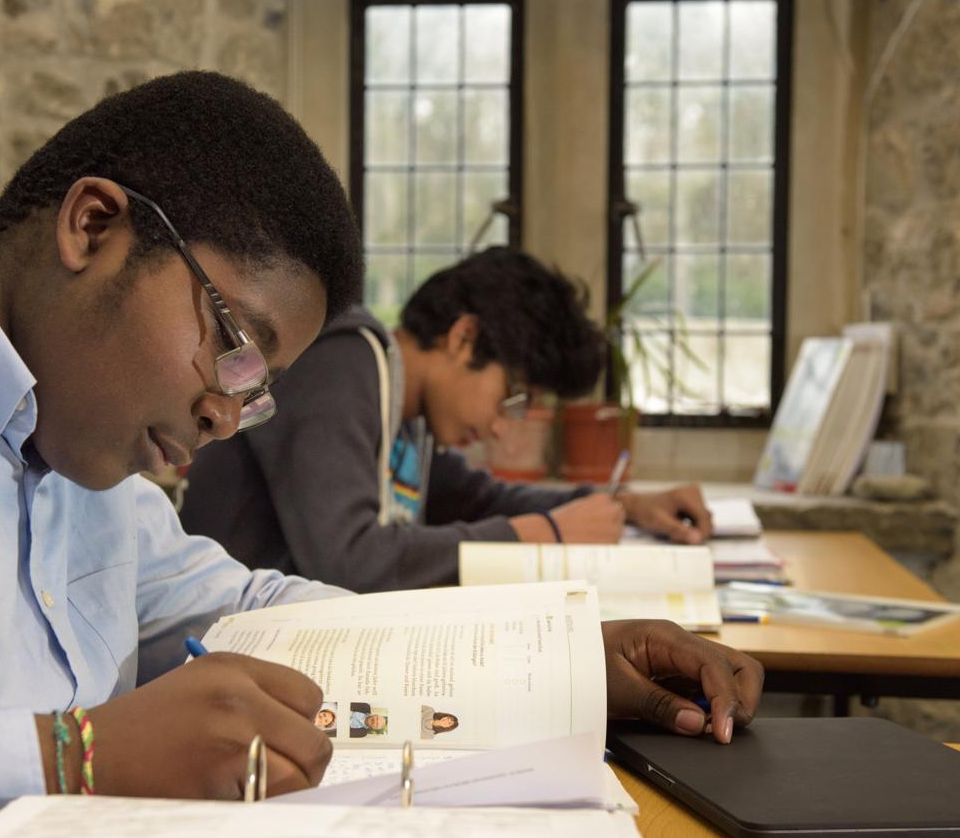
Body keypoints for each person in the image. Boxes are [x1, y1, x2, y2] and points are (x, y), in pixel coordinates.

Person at [0, 72, 760, 838]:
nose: (228, 413)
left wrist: (560, 664)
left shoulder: (72, 456)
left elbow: (249, 603)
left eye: (258, 384)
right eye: (231, 342)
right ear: (93, 227)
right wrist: (71, 759)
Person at [179, 247, 715, 592]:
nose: (505, 427)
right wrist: (541, 534)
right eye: (513, 396)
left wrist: (625, 505)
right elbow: (348, 562)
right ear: (463, 338)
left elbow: (483, 499)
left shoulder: (408, 416)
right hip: (224, 648)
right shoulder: (342, 359)